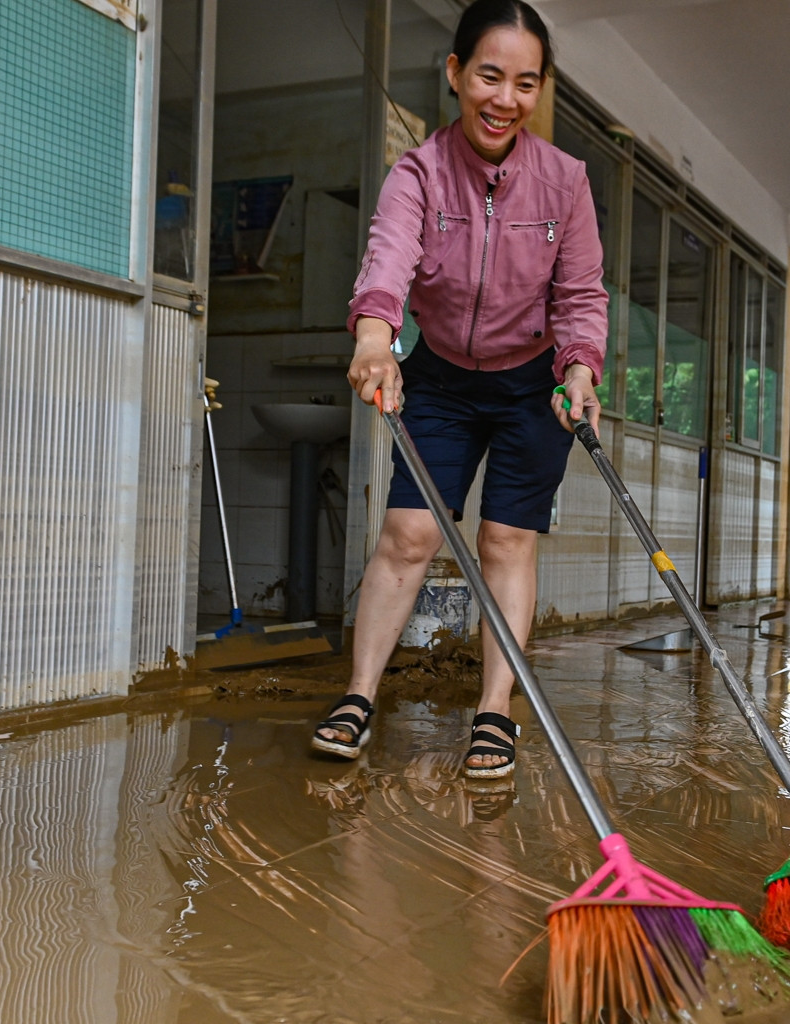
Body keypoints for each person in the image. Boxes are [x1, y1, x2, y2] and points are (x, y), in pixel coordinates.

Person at [311, 0, 605, 780]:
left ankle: (495, 709)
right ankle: (359, 696)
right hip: (441, 376)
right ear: (455, 73)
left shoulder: (565, 182)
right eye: (489, 76)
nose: (505, 99)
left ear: (539, 89)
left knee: (506, 541)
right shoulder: (419, 173)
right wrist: (374, 337)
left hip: (532, 382)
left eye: (525, 83)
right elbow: (387, 261)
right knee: (409, 535)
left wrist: (580, 368)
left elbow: (581, 295)